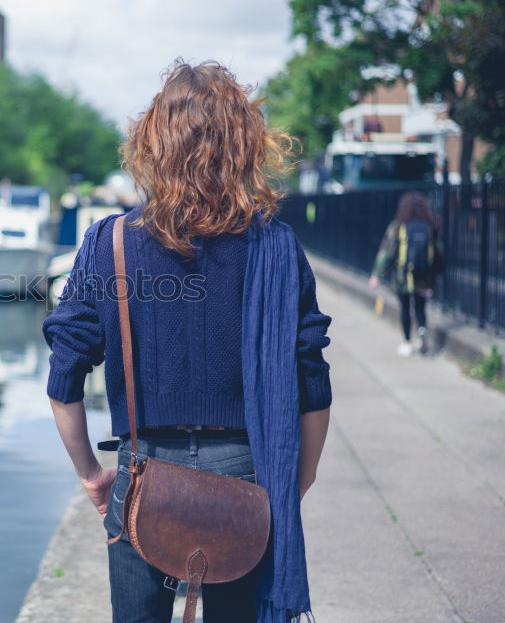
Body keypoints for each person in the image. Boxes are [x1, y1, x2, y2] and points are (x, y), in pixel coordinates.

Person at [41, 60, 333, 623]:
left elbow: (64, 377)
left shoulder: (111, 243)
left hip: (142, 475)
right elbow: (311, 382)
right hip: (245, 474)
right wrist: (298, 478)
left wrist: (91, 474)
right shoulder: (274, 246)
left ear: (153, 142)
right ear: (245, 142)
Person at [368, 191, 445, 356]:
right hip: (424, 275)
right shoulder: (430, 226)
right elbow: (439, 252)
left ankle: (406, 342)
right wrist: (437, 274)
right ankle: (422, 330)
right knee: (420, 306)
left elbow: (387, 252)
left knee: (404, 307)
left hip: (403, 275)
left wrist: (377, 274)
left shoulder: (397, 226)